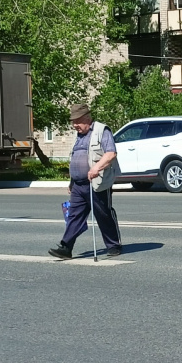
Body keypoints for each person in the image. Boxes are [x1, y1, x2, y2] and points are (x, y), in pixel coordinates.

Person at [49, 104, 122, 259]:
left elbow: (110, 153)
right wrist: (72, 181)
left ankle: (114, 245)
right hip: (78, 185)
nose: (75, 125)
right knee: (74, 215)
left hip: (97, 182)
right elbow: (76, 158)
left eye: (78, 121)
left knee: (103, 214)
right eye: (73, 121)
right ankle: (66, 247)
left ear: (88, 118)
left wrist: (96, 168)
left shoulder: (102, 130)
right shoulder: (78, 135)